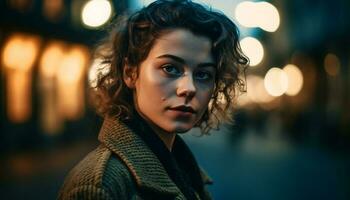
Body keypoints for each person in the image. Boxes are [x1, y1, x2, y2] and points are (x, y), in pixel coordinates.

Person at [58, 0, 247, 199]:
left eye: (203, 75)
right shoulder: (100, 186)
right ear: (130, 72)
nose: (189, 88)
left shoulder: (182, 167)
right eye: (170, 68)